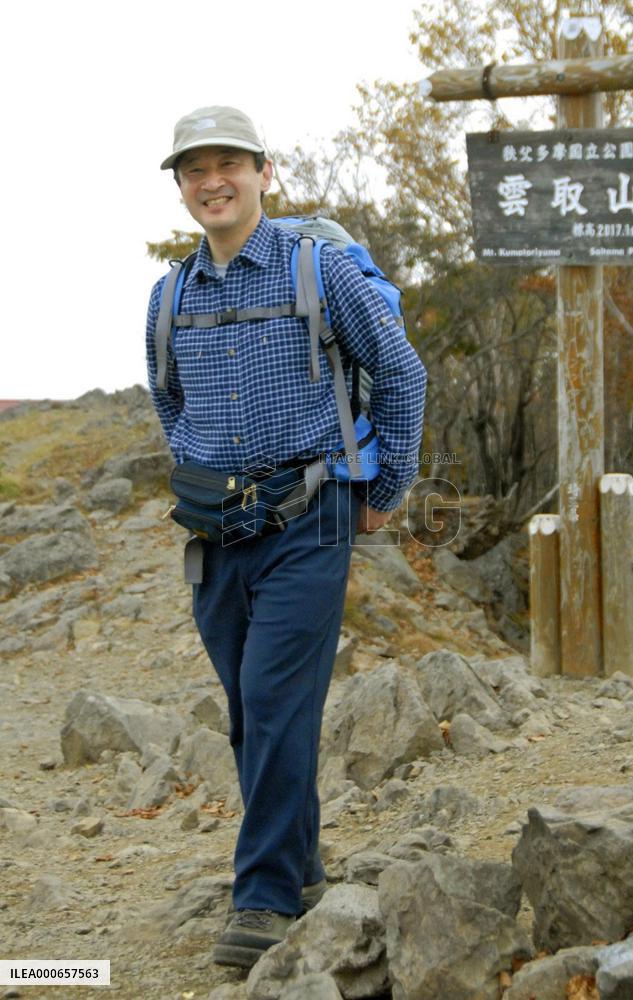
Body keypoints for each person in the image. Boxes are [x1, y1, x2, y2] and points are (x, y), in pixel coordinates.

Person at [146, 105, 427, 968]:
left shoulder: (319, 267)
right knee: (251, 714)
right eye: (195, 170)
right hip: (214, 531)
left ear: (265, 172)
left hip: (311, 518)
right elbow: (169, 403)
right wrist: (201, 474)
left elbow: (400, 371)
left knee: (272, 701)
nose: (212, 182)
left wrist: (383, 486)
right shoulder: (170, 295)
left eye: (229, 163)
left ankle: (262, 898)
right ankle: (302, 868)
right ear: (183, 187)